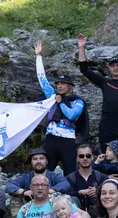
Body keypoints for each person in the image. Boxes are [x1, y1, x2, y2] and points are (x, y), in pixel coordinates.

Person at [76, 34, 118, 150]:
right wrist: (82, 47)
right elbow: (84, 70)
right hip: (106, 126)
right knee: (106, 156)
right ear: (109, 68)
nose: (115, 68)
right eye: (113, 66)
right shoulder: (105, 82)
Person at [34, 40, 84, 175]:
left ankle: (72, 195)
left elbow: (72, 115)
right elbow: (42, 79)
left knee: (70, 172)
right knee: (45, 171)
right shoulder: (52, 96)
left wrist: (60, 102)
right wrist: (38, 56)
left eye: (64, 84)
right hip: (51, 138)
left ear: (70, 86)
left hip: (68, 140)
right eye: (58, 84)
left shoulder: (78, 101)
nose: (60, 86)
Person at [6, 149, 71, 218]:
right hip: (30, 209)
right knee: (14, 197)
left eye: (41, 158)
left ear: (47, 161)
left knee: (64, 196)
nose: (38, 161)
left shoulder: (54, 176)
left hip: (51, 208)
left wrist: (51, 190)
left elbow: (65, 184)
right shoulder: (25, 178)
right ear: (31, 162)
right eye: (35, 159)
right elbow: (9, 187)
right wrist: (24, 192)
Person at [66, 145, 110, 212]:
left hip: (100, 215)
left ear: (92, 157)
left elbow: (111, 193)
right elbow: (64, 196)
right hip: (77, 217)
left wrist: (98, 192)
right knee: (72, 199)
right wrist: (79, 192)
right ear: (77, 158)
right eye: (81, 156)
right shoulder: (70, 178)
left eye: (88, 156)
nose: (85, 158)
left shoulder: (102, 177)